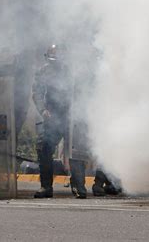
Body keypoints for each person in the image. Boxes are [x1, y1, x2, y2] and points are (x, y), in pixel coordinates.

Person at [32, 44, 87, 199]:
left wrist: (79, 112)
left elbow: (82, 93)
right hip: (52, 116)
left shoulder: (73, 73)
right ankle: (46, 187)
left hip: (71, 116)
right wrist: (43, 109)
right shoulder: (43, 72)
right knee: (44, 147)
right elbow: (37, 93)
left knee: (75, 151)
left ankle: (78, 187)